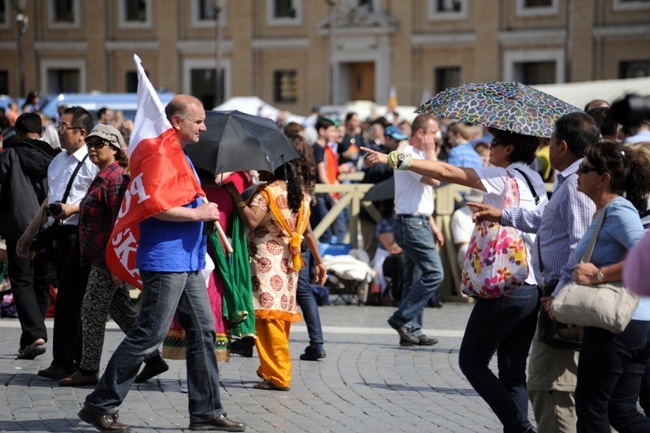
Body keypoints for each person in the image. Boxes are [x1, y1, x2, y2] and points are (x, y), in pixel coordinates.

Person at [364, 124, 547, 433]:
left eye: (496, 143)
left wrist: (395, 158)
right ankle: (518, 428)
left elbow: (448, 172)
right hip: (530, 285)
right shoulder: (535, 179)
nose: (490, 149)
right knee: (513, 373)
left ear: (509, 149)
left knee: (472, 362)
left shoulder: (503, 176)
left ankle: (521, 427)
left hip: (505, 287)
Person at [78, 95, 245, 432]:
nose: (203, 126)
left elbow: (180, 196)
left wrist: (202, 206)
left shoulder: (177, 154)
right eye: (197, 120)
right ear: (176, 122)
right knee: (149, 335)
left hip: (187, 259)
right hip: (166, 258)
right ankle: (100, 404)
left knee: (203, 331)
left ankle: (206, 411)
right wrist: (198, 212)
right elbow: (153, 205)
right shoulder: (158, 155)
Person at [470, 112, 601, 433]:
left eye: (553, 142)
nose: (548, 147)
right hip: (542, 290)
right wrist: (502, 214)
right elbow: (544, 219)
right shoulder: (567, 181)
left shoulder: (575, 184)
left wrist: (559, 295)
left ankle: (521, 427)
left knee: (549, 388)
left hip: (556, 296)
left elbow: (579, 245)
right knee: (519, 375)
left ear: (563, 147)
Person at [58, 124, 168, 387]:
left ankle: (88, 368)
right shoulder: (103, 176)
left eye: (100, 143)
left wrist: (114, 264)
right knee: (120, 310)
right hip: (99, 256)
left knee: (91, 310)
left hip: (107, 258)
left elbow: (119, 224)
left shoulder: (116, 178)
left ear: (115, 149)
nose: (93, 148)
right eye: (91, 143)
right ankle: (152, 358)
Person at [560, 141, 650, 433]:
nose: (577, 174)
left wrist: (598, 275)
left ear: (604, 177)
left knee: (590, 408)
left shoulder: (619, 210)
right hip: (632, 323)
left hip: (618, 325)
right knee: (620, 411)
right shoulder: (608, 211)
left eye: (584, 169)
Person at [225, 160, 327, 391]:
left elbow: (252, 220)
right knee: (279, 318)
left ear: (273, 169)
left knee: (268, 320)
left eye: (262, 166)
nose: (257, 169)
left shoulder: (266, 193)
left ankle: (279, 374)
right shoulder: (299, 196)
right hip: (289, 265)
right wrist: (319, 262)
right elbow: (308, 233)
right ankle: (272, 369)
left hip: (265, 263)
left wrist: (235, 194)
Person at [17, 106, 99, 380]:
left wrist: (72, 209)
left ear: (82, 132)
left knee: (69, 301)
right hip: (58, 235)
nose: (59, 131)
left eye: (64, 127)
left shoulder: (92, 162)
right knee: (68, 299)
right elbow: (49, 200)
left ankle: (67, 361)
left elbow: (98, 203)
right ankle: (69, 360)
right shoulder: (57, 160)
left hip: (81, 236)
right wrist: (29, 233)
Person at [372, 114, 444, 347]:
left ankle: (412, 329)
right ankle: (402, 318)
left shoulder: (419, 155)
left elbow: (422, 195)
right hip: (411, 223)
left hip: (418, 220)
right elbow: (435, 180)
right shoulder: (409, 154)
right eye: (433, 133)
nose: (436, 137)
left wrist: (432, 225)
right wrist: (432, 152)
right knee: (434, 273)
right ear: (421, 133)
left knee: (414, 277)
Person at [0, 113, 60, 360]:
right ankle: (30, 339)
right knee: (41, 282)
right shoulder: (56, 158)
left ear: (17, 131)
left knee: (21, 280)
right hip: (49, 226)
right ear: (42, 132)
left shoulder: (9, 155)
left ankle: (35, 333)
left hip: (18, 227)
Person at [288, 134, 327, 361]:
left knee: (265, 291)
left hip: (284, 244)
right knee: (304, 293)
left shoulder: (288, 181)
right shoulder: (308, 177)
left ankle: (249, 339)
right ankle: (317, 341)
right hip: (301, 244)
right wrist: (319, 260)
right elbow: (308, 230)